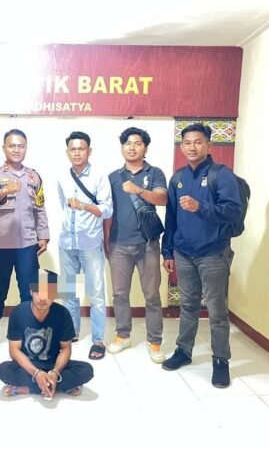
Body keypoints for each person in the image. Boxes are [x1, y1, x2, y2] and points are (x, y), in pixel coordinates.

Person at [161, 123, 242, 388]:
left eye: (198, 142)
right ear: (182, 146)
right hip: (183, 253)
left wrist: (201, 206)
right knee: (187, 306)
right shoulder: (178, 178)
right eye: (187, 142)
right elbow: (171, 217)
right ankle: (183, 351)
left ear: (209, 145)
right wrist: (168, 250)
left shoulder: (221, 174)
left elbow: (233, 211)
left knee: (217, 310)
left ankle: (221, 361)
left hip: (213, 253)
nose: (192, 147)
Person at [0, 129, 50, 355]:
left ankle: (29, 336)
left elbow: (40, 208)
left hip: (27, 245)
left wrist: (43, 234)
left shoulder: (34, 177)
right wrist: (3, 192)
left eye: (21, 146)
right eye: (12, 145)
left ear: (26, 148)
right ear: (4, 148)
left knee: (29, 293)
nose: (16, 149)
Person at [104, 127, 168, 363]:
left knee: (152, 295)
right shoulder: (112, 177)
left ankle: (155, 341)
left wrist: (139, 190)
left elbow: (162, 199)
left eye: (137, 143)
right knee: (119, 293)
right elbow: (107, 213)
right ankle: (123, 335)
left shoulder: (155, 173)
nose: (132, 147)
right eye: (127, 143)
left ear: (145, 148)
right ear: (122, 147)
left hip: (147, 244)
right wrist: (106, 241)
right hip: (119, 244)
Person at [57, 131, 112, 360]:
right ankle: (72, 332)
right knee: (69, 292)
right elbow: (63, 206)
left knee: (96, 294)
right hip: (66, 243)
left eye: (81, 148)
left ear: (89, 151)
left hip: (90, 244)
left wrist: (84, 205)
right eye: (73, 149)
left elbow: (107, 210)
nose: (77, 153)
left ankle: (98, 340)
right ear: (67, 152)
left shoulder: (99, 176)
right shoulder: (62, 176)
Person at [0, 270, 94, 399]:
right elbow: (14, 351)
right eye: (38, 292)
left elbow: (66, 349)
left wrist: (55, 372)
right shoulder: (18, 313)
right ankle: (56, 386)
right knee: (4, 370)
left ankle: (29, 388)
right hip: (28, 366)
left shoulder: (63, 313)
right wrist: (36, 373)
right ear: (31, 292)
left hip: (53, 364)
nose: (43, 298)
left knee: (86, 370)